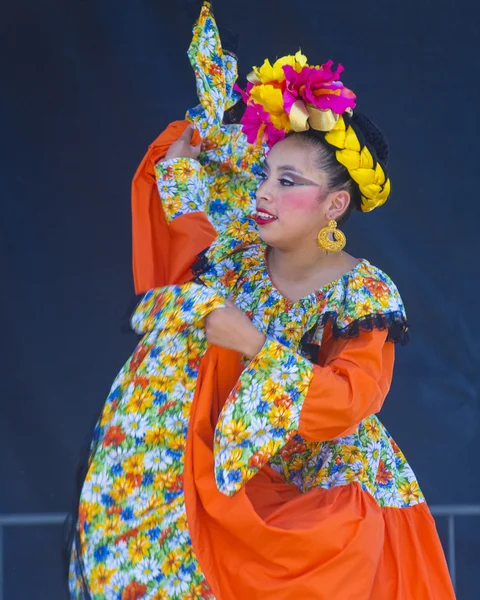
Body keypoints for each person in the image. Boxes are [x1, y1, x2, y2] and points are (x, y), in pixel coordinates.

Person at [68, 2, 455, 598]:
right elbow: (181, 235)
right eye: (266, 174)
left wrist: (250, 342)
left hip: (329, 497)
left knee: (345, 544)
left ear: (335, 206)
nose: (265, 194)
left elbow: (349, 400)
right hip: (238, 477)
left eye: (289, 182)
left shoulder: (363, 292)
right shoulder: (236, 258)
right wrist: (185, 157)